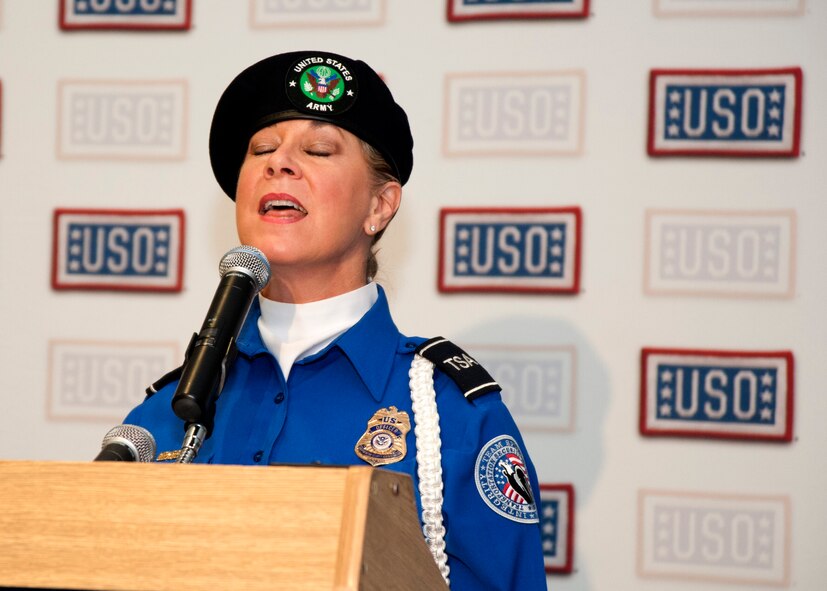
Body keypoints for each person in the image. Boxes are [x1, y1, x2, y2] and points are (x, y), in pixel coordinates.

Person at [123, 50, 547, 590]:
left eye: (319, 149)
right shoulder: (168, 411)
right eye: (262, 150)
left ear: (380, 206)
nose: (279, 163)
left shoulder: (450, 418)